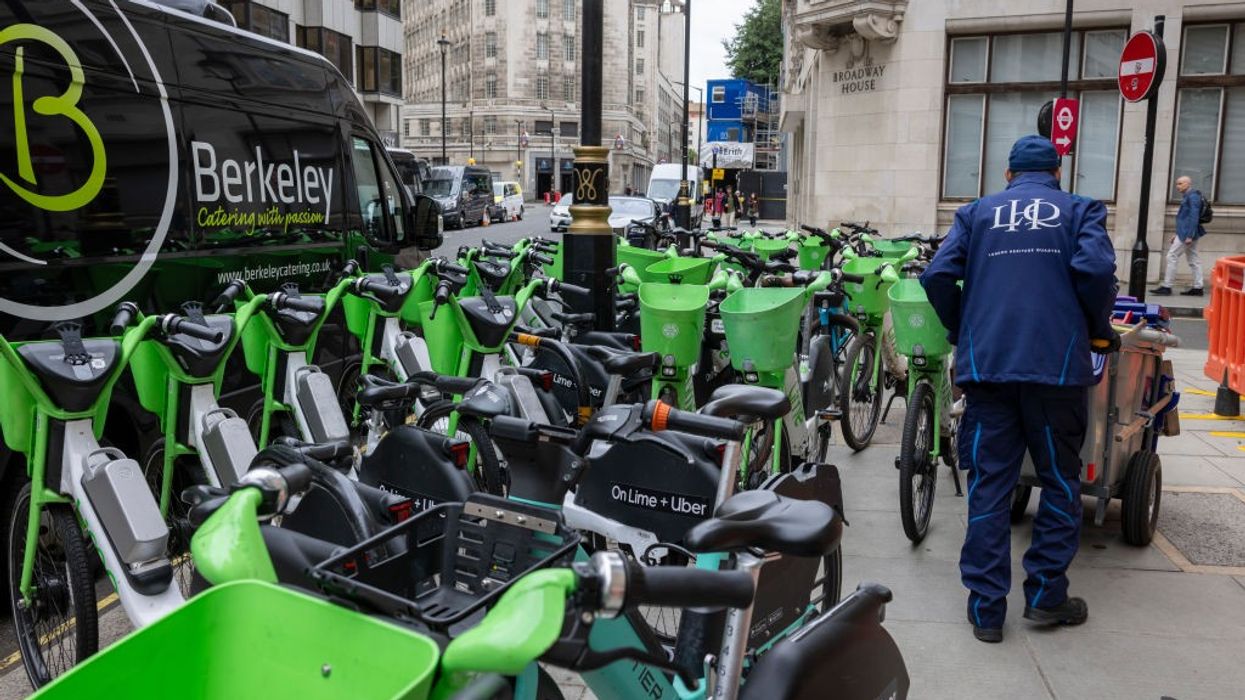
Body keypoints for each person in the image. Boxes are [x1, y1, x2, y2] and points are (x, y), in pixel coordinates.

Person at [920, 135, 1118, 644]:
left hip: (989, 370)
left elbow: (938, 274)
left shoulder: (977, 213)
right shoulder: (1080, 210)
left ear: (1007, 175)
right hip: (1055, 370)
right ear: (1056, 173)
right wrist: (1097, 325)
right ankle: (1046, 596)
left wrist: (963, 326)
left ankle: (986, 610)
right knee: (1058, 482)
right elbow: (1095, 270)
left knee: (990, 484)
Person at [1151, 176, 1206, 296]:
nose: (1177, 186)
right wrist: (1177, 234)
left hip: (1187, 233)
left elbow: (1193, 217)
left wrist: (1189, 235)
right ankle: (1198, 287)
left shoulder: (1193, 196)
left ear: (1188, 184)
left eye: (1180, 184)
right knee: (1193, 259)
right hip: (1185, 233)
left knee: (1172, 256)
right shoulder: (1190, 196)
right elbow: (1185, 218)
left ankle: (1167, 286)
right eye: (1177, 184)